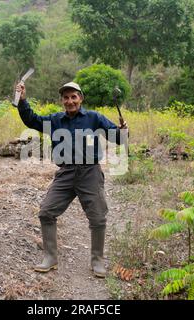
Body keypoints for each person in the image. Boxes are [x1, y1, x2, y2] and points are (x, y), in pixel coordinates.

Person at [15, 81, 128, 278]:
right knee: (46, 213)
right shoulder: (55, 120)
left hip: (90, 173)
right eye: (66, 98)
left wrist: (124, 130)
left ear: (80, 98)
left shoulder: (94, 118)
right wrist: (23, 100)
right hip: (66, 173)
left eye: (73, 97)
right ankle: (50, 258)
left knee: (98, 217)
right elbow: (31, 120)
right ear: (62, 101)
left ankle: (97, 260)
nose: (70, 101)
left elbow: (118, 139)